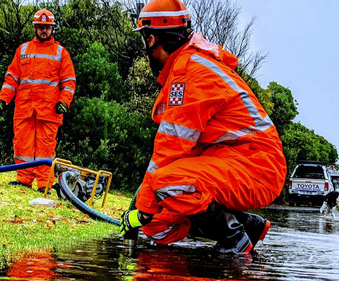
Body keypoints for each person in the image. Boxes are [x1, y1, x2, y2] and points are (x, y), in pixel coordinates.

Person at [119, 0, 287, 254]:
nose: (145, 49)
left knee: (166, 184)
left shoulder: (190, 72)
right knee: (156, 225)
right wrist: (143, 212)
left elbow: (168, 153)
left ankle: (234, 241)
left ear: (153, 39)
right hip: (237, 159)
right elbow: (174, 153)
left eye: (144, 41)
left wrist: (139, 209)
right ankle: (247, 226)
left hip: (257, 165)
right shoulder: (189, 66)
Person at [0, 8, 76, 194]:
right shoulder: (23, 50)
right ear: (35, 27)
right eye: (40, 27)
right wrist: (4, 97)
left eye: (47, 27)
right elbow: (12, 77)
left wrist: (64, 101)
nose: (43, 31)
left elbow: (69, 82)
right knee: (22, 145)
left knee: (45, 149)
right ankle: (23, 179)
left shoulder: (61, 53)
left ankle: (44, 184)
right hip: (24, 108)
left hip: (49, 111)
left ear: (52, 29)